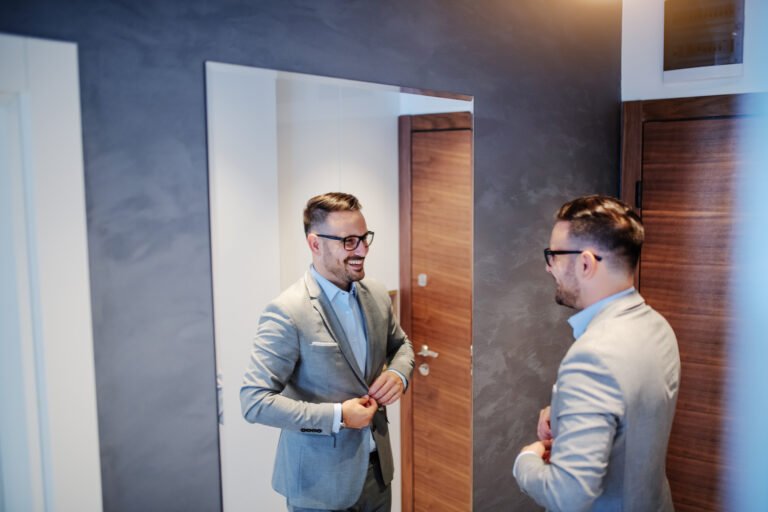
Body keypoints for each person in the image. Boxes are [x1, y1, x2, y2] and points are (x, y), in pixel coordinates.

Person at [240, 192, 414, 512]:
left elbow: (401, 345)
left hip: (377, 473)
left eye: (364, 238)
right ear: (315, 243)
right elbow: (254, 402)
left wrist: (398, 373)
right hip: (318, 487)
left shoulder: (377, 293)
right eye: (349, 241)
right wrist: (339, 417)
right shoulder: (287, 312)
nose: (362, 250)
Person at [513, 195, 681, 512]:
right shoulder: (659, 327)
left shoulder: (592, 357)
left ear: (586, 263)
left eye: (553, 255)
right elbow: (632, 410)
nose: (549, 268)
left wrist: (525, 461)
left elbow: (567, 497)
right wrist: (565, 412)